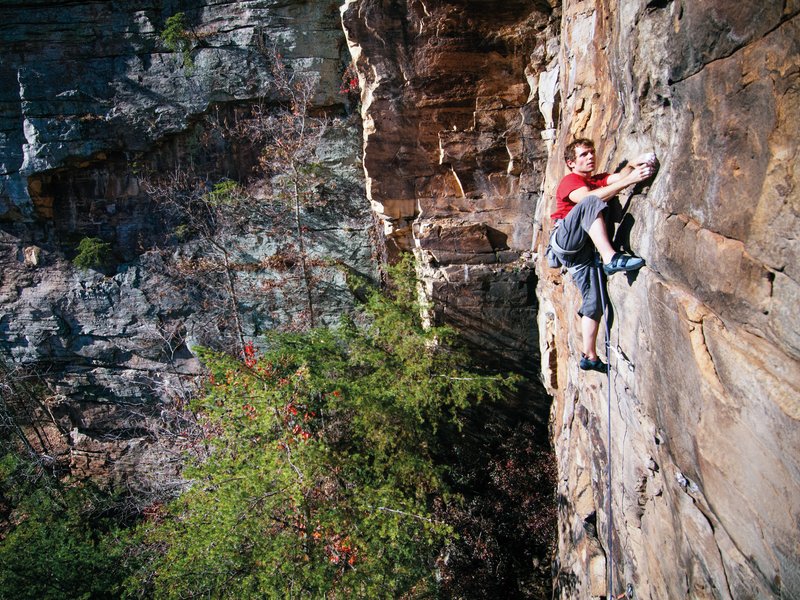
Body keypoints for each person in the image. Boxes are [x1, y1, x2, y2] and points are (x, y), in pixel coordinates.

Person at [550, 138, 655, 373]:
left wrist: (634, 165)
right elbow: (588, 200)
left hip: (580, 254)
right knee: (591, 202)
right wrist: (630, 180)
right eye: (584, 154)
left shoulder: (594, 180)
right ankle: (611, 258)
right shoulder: (571, 181)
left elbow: (616, 178)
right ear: (571, 162)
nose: (590, 157)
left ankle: (589, 356)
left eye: (592, 152)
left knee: (595, 301)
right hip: (565, 240)